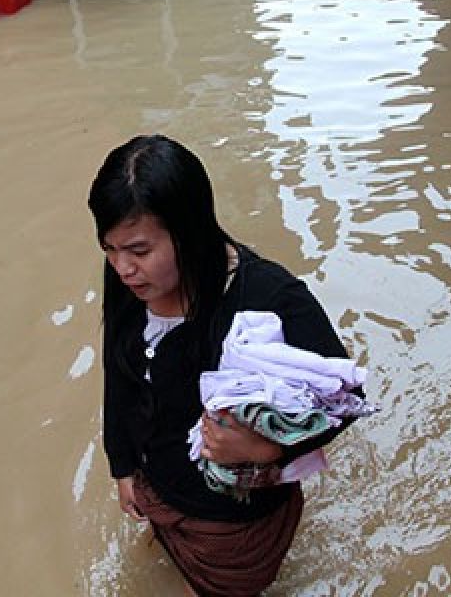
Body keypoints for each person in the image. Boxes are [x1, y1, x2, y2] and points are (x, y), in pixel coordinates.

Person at [88, 135, 363, 597]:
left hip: (230, 526)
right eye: (110, 250)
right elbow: (119, 374)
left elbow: (346, 400)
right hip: (155, 487)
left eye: (138, 250)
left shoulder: (267, 297)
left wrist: (268, 450)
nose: (123, 268)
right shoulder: (131, 281)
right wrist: (122, 468)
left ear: (190, 232)